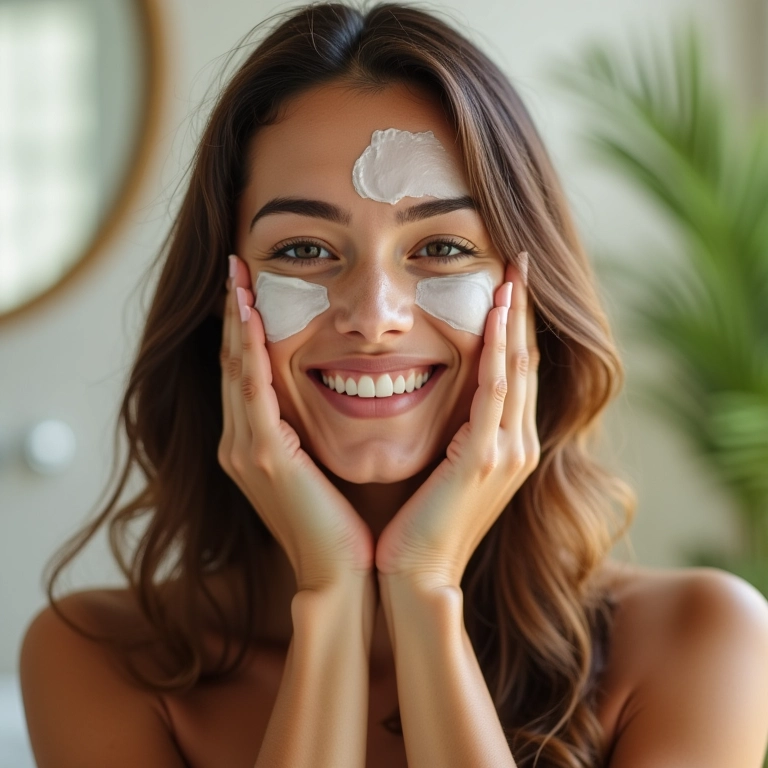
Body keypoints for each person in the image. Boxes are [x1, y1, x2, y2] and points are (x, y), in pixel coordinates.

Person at [18, 3, 768, 767]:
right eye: (305, 248)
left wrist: (424, 589)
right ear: (220, 301)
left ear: (532, 302)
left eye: (441, 246)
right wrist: (331, 600)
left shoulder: (702, 641)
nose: (373, 317)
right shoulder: (97, 659)